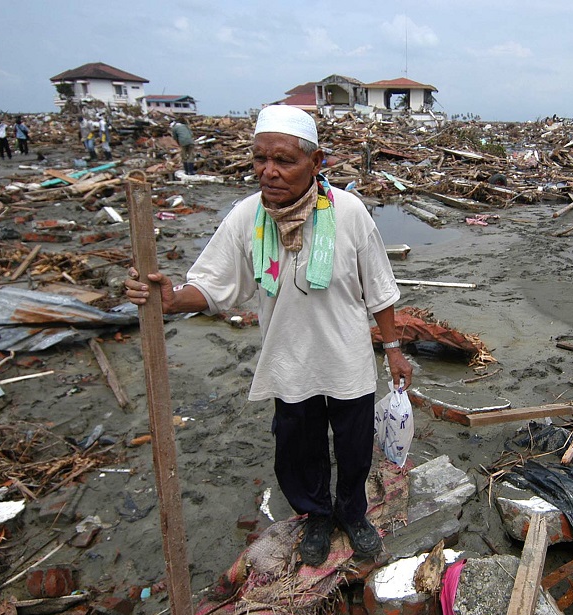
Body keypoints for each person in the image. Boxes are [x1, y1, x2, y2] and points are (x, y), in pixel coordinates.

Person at [125, 105, 412, 567]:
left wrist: (394, 349)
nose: (269, 172)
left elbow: (379, 287)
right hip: (288, 360)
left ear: (317, 164)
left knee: (355, 447)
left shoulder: (350, 212)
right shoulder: (248, 217)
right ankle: (317, 516)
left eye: (284, 161)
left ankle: (352, 513)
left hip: (347, 358)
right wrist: (171, 299)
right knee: (299, 450)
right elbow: (213, 284)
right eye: (260, 159)